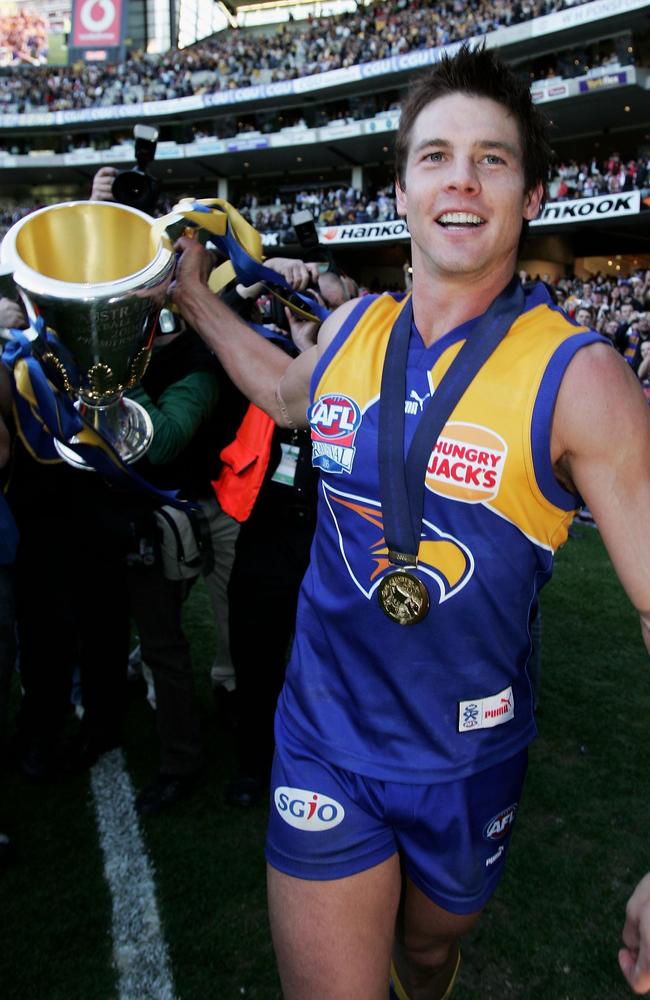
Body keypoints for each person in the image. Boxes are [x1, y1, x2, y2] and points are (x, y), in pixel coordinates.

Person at [170, 45, 650, 1000]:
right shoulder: (355, 330)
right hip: (324, 738)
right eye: (435, 156)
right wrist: (189, 295)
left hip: (468, 754)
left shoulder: (581, 377)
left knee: (426, 956)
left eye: (492, 159)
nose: (461, 180)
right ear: (400, 189)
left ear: (532, 197)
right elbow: (285, 391)